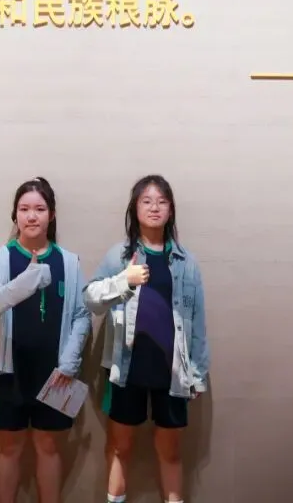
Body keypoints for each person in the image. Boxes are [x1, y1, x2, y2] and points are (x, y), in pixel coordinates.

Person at [84, 175, 210, 503]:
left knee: (170, 451)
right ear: (135, 208)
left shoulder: (186, 262)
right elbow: (91, 300)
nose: (154, 208)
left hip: (173, 371)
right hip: (127, 367)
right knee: (119, 447)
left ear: (171, 210)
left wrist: (198, 373)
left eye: (162, 201)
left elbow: (197, 322)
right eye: (146, 201)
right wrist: (124, 280)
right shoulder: (120, 255)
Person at [0, 176, 91, 503]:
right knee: (9, 448)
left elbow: (82, 315)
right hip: (9, 371)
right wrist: (27, 281)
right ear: (14, 215)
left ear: (51, 215)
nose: (31, 216)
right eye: (24, 209)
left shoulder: (68, 261)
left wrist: (70, 362)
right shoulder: (0, 258)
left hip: (57, 373)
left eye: (40, 209)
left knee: (49, 446)